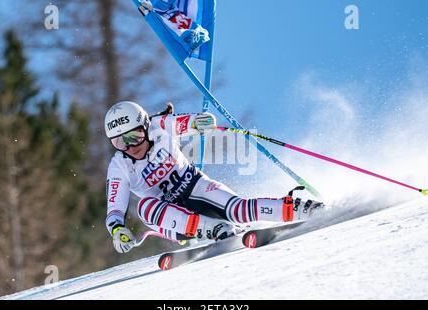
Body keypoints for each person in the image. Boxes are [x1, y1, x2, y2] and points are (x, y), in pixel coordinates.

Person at [104, 101, 323, 253]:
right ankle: (212, 229)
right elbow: (115, 208)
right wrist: (117, 230)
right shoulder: (119, 166)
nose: (130, 146)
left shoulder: (158, 126)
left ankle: (300, 208)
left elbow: (181, 123)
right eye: (119, 142)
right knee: (144, 207)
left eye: (135, 136)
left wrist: (196, 123)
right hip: (173, 221)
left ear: (145, 127)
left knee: (238, 210)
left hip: (196, 186)